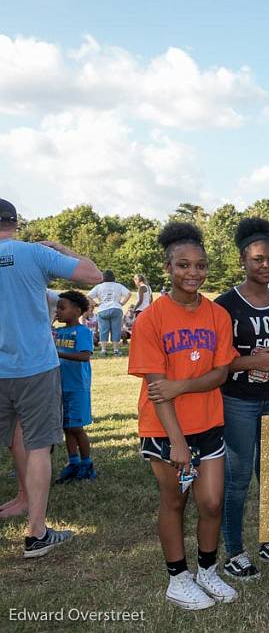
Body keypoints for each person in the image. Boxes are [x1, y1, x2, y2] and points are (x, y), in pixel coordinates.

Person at [128, 222, 239, 609]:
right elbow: (159, 389)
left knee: (211, 502)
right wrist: (176, 440)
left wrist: (184, 386)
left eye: (200, 265)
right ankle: (178, 577)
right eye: (183, 265)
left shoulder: (217, 315)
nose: (193, 273)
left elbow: (220, 372)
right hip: (165, 428)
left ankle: (207, 569)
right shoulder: (151, 319)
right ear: (168, 268)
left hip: (208, 421)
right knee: (174, 501)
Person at [0, 198, 101, 554]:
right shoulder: (34, 253)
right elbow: (93, 275)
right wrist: (59, 249)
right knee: (38, 444)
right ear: (16, 222)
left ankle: (24, 498)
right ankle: (37, 532)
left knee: (16, 436)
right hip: (36, 366)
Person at [215, 218, 269, 581]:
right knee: (237, 479)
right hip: (239, 399)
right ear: (242, 261)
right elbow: (218, 362)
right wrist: (253, 360)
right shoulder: (225, 305)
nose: (265, 266)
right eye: (257, 260)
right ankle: (234, 550)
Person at [52, 291, 96, 483]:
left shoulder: (83, 332)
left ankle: (87, 465)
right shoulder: (57, 332)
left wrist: (58, 353)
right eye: (57, 308)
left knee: (77, 427)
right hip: (59, 387)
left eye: (62, 308)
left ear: (77, 311)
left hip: (77, 387)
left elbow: (85, 356)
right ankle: (73, 463)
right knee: (67, 427)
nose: (58, 312)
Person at [88, 271, 132, 357]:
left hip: (103, 309)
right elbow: (129, 293)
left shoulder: (99, 286)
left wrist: (95, 304)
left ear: (103, 278)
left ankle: (103, 350)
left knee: (103, 330)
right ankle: (116, 350)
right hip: (116, 308)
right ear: (113, 277)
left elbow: (88, 296)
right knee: (116, 330)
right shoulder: (118, 286)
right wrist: (122, 303)